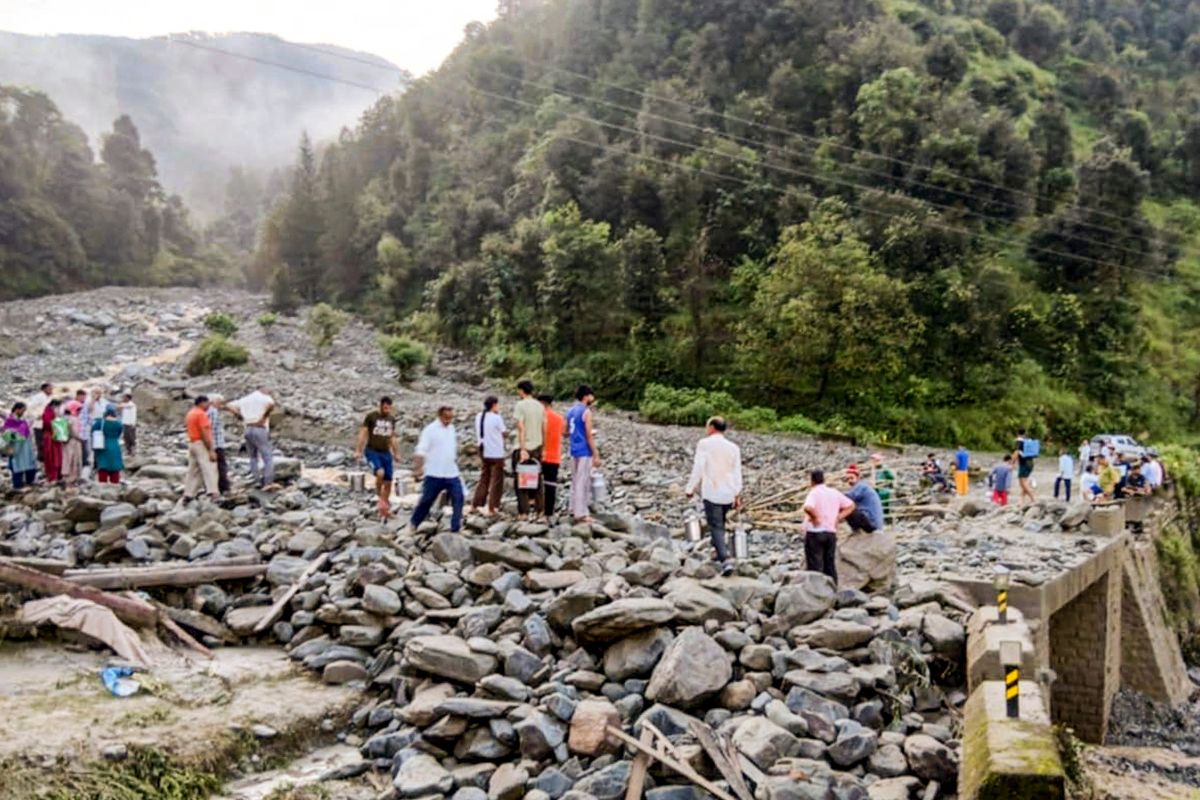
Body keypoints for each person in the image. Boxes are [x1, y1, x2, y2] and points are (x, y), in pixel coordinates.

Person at [685, 416, 743, 576]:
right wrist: (738, 493)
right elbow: (737, 472)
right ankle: (717, 552)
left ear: (711, 427)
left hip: (712, 491)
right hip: (729, 492)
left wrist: (690, 488)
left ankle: (725, 560)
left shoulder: (704, 444)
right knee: (721, 523)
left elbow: (698, 467)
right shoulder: (733, 448)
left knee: (716, 525)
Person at [410, 406, 464, 533]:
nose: (448, 421)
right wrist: (418, 468)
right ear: (440, 416)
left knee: (458, 498)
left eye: (450, 418)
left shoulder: (451, 429)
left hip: (451, 472)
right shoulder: (430, 430)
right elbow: (421, 450)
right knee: (427, 500)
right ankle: (414, 523)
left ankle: (455, 527)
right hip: (434, 472)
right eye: (446, 418)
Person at [802, 469, 854, 584]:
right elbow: (851, 505)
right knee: (829, 564)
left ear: (812, 481)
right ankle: (832, 589)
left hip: (815, 532)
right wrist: (838, 517)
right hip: (831, 532)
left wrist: (815, 518)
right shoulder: (833, 492)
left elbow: (808, 508)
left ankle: (815, 591)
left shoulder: (814, 492)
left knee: (815, 565)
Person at [356, 396, 401, 518]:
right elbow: (363, 433)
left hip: (386, 453)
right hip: (372, 451)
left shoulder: (391, 419)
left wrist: (396, 453)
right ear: (380, 406)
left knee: (388, 481)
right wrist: (358, 451)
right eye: (385, 407)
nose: (387, 410)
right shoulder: (371, 417)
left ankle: (384, 507)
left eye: (389, 408)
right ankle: (378, 495)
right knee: (380, 473)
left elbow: (392, 437)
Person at [229, 386, 276, 489]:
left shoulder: (245, 399)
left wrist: (240, 416)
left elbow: (229, 406)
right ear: (264, 389)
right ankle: (268, 482)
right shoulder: (265, 398)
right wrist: (264, 416)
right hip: (260, 428)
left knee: (253, 457)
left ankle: (256, 480)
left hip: (248, 428)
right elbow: (271, 405)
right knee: (267, 456)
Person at [566, 384, 600, 523]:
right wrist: (596, 453)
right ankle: (581, 513)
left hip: (573, 448)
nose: (592, 398)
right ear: (586, 397)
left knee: (575, 480)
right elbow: (588, 434)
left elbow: (565, 431)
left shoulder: (570, 411)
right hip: (584, 450)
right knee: (583, 481)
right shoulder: (586, 412)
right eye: (591, 396)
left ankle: (573, 507)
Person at [512, 380, 545, 519]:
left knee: (521, 481)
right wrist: (543, 446)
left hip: (523, 446)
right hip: (538, 446)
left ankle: (523, 512)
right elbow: (544, 427)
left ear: (521, 391)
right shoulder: (540, 406)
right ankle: (540, 510)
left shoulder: (520, 405)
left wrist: (523, 448)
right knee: (537, 479)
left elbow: (521, 427)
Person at [470, 396, 506, 517]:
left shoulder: (479, 416)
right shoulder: (497, 418)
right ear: (494, 405)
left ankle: (476, 504)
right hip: (496, 452)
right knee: (496, 480)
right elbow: (503, 432)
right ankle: (493, 506)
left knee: (484, 477)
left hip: (483, 450)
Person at [183, 396, 219, 502]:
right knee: (209, 467)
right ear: (202, 403)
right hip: (201, 443)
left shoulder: (191, 413)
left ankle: (189, 493)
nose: (208, 406)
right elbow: (205, 432)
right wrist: (211, 450)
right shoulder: (201, 414)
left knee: (193, 470)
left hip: (192, 442)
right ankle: (213, 491)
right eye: (207, 403)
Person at [540, 394, 565, 520]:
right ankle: (549, 512)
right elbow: (564, 432)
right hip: (554, 455)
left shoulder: (539, 417)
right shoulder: (559, 418)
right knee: (550, 485)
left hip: (540, 454)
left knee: (535, 484)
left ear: (542, 403)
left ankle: (537, 510)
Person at [2, 402, 37, 489]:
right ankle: (18, 485)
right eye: (22, 410)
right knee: (17, 466)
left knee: (29, 464)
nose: (23, 412)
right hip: (16, 447)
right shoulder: (11, 420)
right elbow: (8, 435)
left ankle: (30, 482)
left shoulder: (21, 419)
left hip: (25, 446)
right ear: (17, 409)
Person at [843, 464, 883, 533]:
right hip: (873, 521)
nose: (849, 481)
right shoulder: (862, 487)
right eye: (848, 479)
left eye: (851, 478)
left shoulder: (861, 486)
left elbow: (846, 498)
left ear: (858, 478)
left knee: (847, 508)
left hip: (871, 520)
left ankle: (857, 531)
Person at [93, 406, 124, 484]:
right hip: (115, 445)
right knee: (115, 465)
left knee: (103, 465)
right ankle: (115, 484)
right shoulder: (118, 424)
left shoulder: (100, 422)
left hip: (102, 445)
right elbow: (119, 434)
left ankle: (103, 485)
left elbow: (93, 431)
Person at [207, 394, 230, 495]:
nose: (220, 405)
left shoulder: (207, 411)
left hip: (213, 443)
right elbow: (209, 428)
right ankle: (223, 487)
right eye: (219, 402)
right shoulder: (213, 411)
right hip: (216, 443)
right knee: (221, 465)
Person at [27, 383, 52, 464]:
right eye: (49, 389)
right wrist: (36, 415)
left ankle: (45, 458)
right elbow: (30, 406)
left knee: (46, 441)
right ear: (44, 389)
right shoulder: (39, 397)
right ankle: (41, 459)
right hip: (39, 423)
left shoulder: (48, 398)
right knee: (41, 442)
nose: (51, 391)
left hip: (47, 423)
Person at [61, 401, 84, 487]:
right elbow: (74, 432)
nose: (79, 412)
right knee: (74, 459)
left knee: (66, 459)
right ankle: (72, 479)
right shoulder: (73, 419)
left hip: (65, 442)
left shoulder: (64, 418)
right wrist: (80, 439)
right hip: (73, 442)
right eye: (78, 410)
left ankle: (66, 477)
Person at [42, 398, 65, 484]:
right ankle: (52, 476)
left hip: (56, 437)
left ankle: (58, 474)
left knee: (58, 456)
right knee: (52, 457)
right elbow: (48, 424)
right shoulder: (48, 412)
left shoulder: (54, 412)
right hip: (50, 437)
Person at [1013, 428, 1037, 505]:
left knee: (1022, 483)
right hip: (1031, 463)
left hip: (1024, 463)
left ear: (1018, 433)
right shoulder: (1028, 441)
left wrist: (1012, 463)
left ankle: (1033, 499)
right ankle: (1021, 501)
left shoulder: (1019, 441)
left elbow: (1016, 453)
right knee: (1024, 483)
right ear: (1025, 433)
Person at [871, 453, 896, 523]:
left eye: (875, 460)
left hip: (884, 490)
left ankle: (887, 521)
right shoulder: (875, 470)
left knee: (884, 507)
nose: (873, 462)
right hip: (878, 490)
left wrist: (884, 482)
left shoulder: (884, 469)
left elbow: (892, 477)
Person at [75, 389, 92, 470]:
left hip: (85, 429)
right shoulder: (74, 404)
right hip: (76, 428)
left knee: (85, 445)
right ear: (78, 396)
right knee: (78, 446)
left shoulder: (84, 404)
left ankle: (85, 461)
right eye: (82, 397)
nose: (83, 399)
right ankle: (79, 462)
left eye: (85, 397)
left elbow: (88, 415)